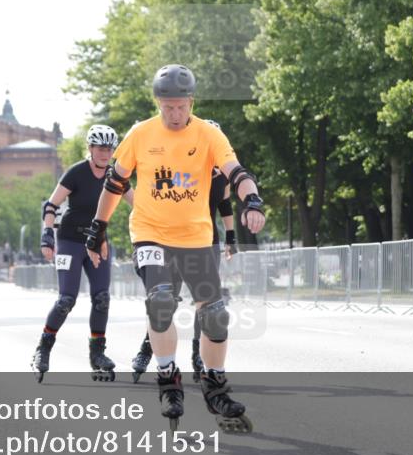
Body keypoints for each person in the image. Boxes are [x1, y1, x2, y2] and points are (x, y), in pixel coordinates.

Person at [86, 64, 266, 431]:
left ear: (191, 101)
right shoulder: (140, 134)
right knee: (161, 301)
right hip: (150, 232)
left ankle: (215, 385)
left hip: (196, 238)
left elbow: (237, 172)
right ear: (158, 103)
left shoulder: (209, 134)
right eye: (167, 107)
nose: (174, 114)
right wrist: (98, 228)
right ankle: (168, 379)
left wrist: (254, 202)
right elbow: (115, 183)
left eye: (181, 106)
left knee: (215, 315)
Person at [130, 118, 239, 383]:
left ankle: (199, 357)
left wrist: (231, 236)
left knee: (208, 303)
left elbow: (225, 205)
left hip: (207, 241)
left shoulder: (222, 175)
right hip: (172, 242)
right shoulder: (185, 169)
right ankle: (149, 349)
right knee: (165, 299)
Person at [32, 124, 131, 383]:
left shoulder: (116, 175)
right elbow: (51, 204)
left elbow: (140, 205)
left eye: (109, 149)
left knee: (102, 298)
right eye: (100, 148)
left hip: (98, 242)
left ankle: (97, 354)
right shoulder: (76, 172)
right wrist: (46, 235)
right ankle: (43, 348)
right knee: (67, 299)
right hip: (69, 241)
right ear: (90, 148)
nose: (105, 153)